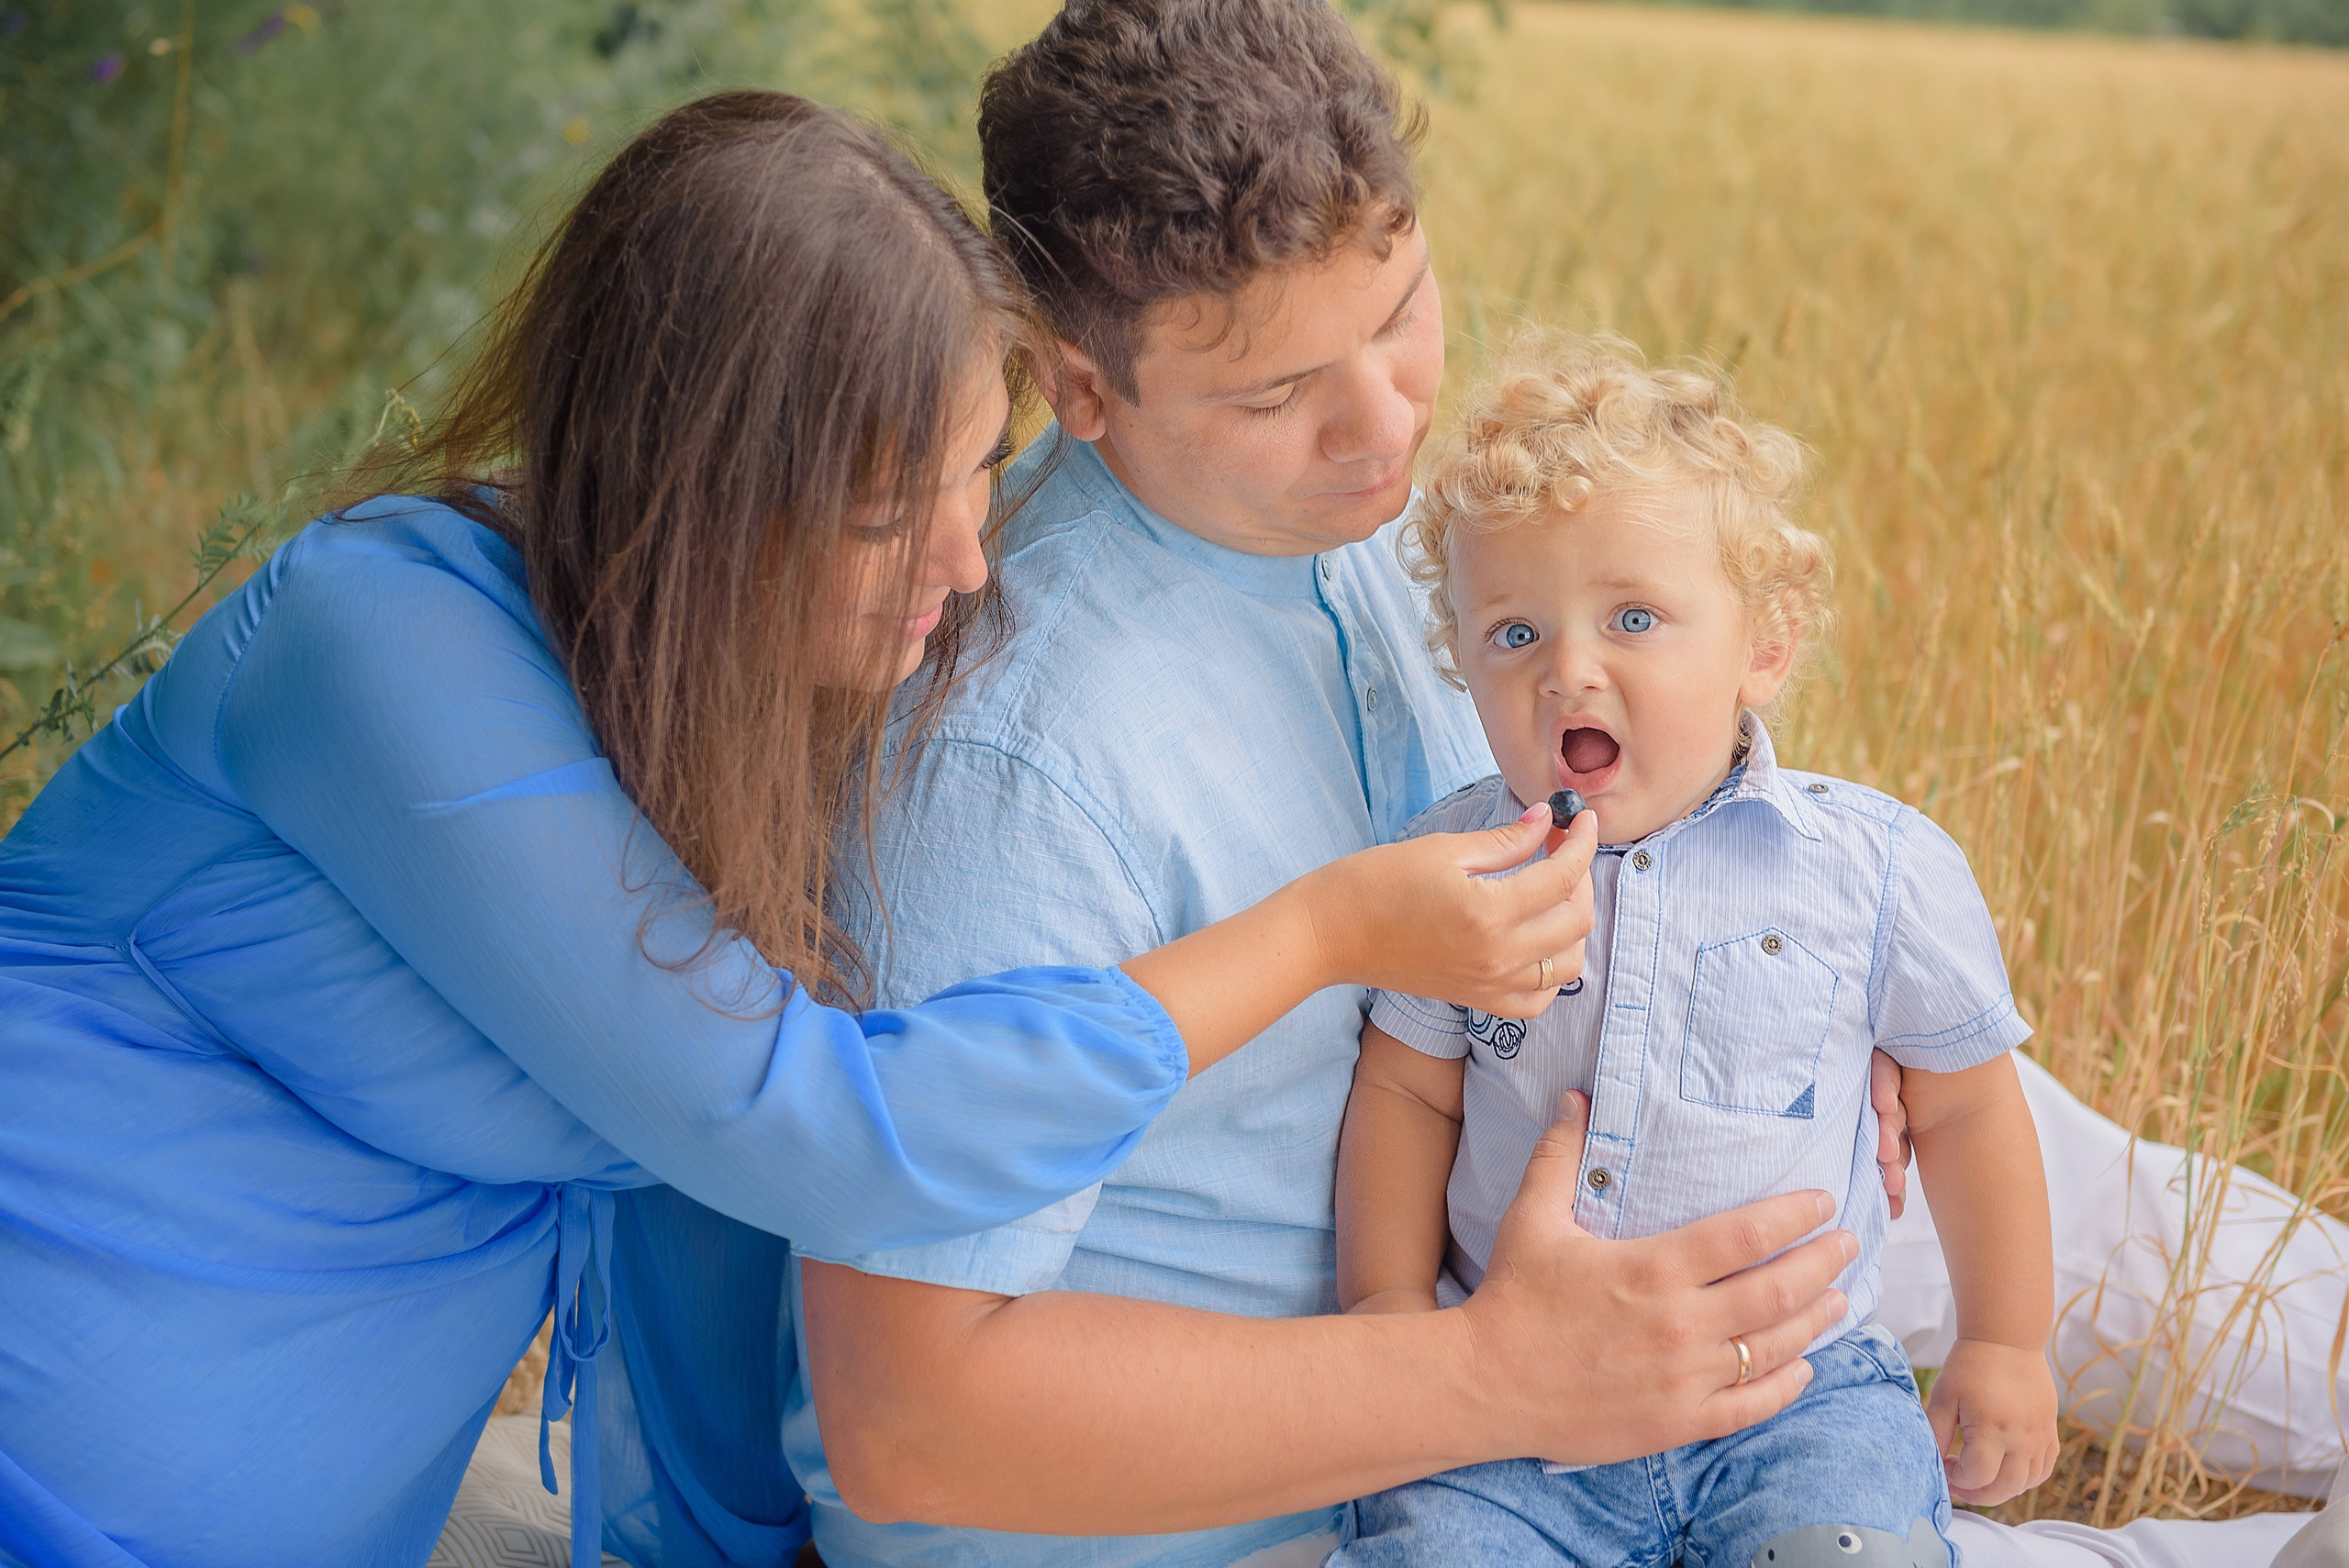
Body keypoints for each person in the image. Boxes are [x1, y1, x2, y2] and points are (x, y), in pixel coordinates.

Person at [0, 91, 1599, 1568]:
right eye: (886, 512)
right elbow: (807, 1133)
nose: (972, 566)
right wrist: (1324, 933)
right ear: (699, 493)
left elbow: (704, 1215)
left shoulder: (751, 697)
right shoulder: (380, 644)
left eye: (984, 469)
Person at [1328, 333, 2058, 1566]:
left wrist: (2006, 1340)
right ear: (1463, 661)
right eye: (1512, 634)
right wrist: (1392, 1310)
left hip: (1793, 1394)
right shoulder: (1454, 869)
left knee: (1852, 1544)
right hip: (1512, 1416)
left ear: (1761, 649)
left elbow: (1972, 1108)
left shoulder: (1870, 867)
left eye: (1634, 617)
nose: (1569, 668)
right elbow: (1405, 1089)